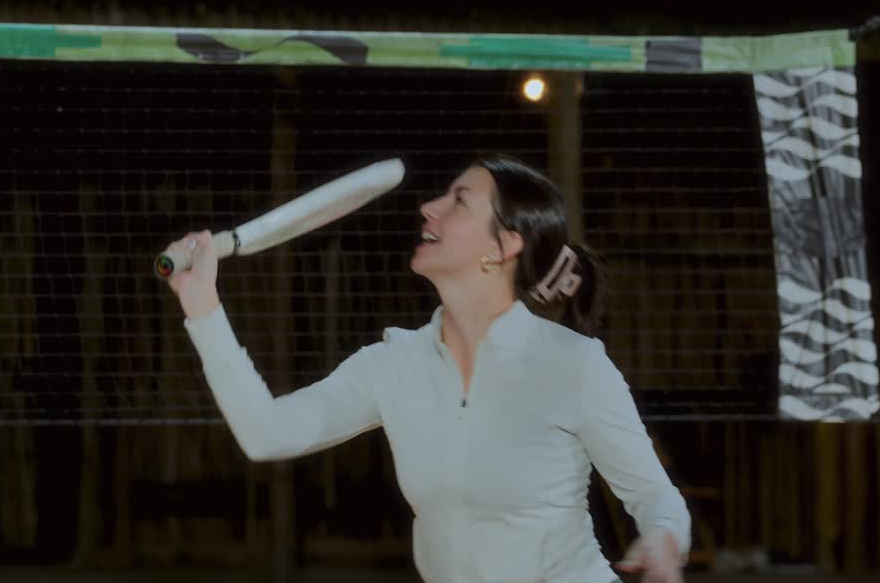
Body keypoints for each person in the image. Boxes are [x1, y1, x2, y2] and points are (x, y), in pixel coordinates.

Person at [165, 153, 689, 583]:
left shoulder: (572, 364)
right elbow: (266, 434)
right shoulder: (393, 364)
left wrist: (663, 539)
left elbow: (656, 498)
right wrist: (203, 307)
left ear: (503, 246)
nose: (428, 208)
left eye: (458, 201)